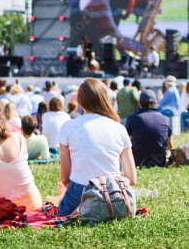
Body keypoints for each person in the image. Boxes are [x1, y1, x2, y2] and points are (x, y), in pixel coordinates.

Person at [46, 78, 136, 216]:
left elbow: (65, 179)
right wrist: (106, 179)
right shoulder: (119, 128)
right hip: (113, 196)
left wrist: (93, 183)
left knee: (64, 198)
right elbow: (131, 178)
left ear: (80, 101)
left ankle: (62, 199)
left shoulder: (68, 127)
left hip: (79, 194)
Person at [125, 89, 173, 168]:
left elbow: (128, 144)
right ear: (155, 103)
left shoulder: (132, 119)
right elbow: (170, 146)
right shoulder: (166, 119)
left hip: (137, 163)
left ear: (139, 103)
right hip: (160, 163)